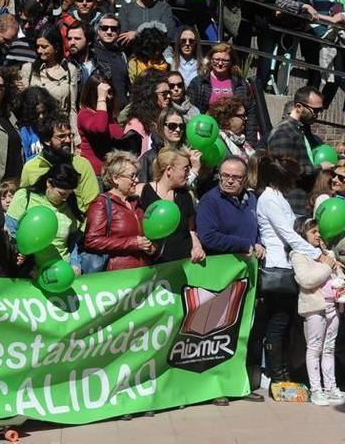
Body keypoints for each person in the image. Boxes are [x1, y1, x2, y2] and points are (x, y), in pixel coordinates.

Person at [196, 155, 266, 403]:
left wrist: (258, 244)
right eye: (225, 175)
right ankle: (213, 388)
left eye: (235, 177)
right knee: (216, 333)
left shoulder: (251, 200)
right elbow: (208, 236)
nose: (229, 181)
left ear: (244, 179)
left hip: (245, 276)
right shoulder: (210, 201)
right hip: (219, 276)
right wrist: (244, 244)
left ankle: (238, 383)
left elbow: (257, 231)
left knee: (241, 330)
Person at [256, 153, 325, 392]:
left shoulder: (279, 198)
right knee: (277, 322)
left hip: (286, 264)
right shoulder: (269, 199)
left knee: (284, 322)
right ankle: (276, 375)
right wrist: (316, 254)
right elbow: (287, 233)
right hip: (277, 267)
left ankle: (282, 370)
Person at [291, 217, 345, 406]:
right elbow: (306, 280)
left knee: (329, 348)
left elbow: (336, 275)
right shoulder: (299, 255)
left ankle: (331, 387)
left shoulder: (326, 253)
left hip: (334, 307)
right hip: (315, 308)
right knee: (314, 349)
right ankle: (316, 390)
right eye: (313, 232)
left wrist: (340, 279)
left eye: (319, 231)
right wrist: (326, 265)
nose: (318, 235)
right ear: (302, 235)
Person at [84, 150, 155, 271]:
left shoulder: (137, 203)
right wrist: (132, 243)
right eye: (132, 176)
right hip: (116, 276)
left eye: (137, 175)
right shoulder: (101, 203)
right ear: (115, 178)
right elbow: (92, 240)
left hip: (143, 274)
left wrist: (151, 247)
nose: (137, 180)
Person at [136, 147, 206, 264]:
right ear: (169, 170)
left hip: (183, 263)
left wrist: (197, 247)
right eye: (185, 169)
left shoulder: (188, 195)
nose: (189, 174)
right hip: (153, 265)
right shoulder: (141, 191)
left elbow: (191, 230)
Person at [266, 87, 326, 217]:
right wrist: (320, 167)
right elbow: (284, 169)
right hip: (291, 205)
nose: (318, 114)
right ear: (298, 106)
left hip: (307, 205)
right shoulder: (283, 132)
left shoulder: (305, 131)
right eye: (315, 110)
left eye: (320, 110)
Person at [6, 162, 81, 267]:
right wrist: (21, 256)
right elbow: (10, 233)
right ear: (49, 183)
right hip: (28, 269)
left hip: (61, 269)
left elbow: (72, 241)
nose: (65, 198)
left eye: (69, 194)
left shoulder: (69, 207)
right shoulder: (24, 197)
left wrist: (75, 264)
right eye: (62, 194)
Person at [186, 43, 259, 145]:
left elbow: (251, 112)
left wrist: (251, 141)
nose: (220, 63)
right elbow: (191, 110)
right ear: (210, 60)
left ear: (231, 62)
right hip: (207, 135)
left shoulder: (240, 83)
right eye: (216, 59)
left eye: (225, 60)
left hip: (235, 138)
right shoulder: (199, 82)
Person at [20, 26, 79, 137]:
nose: (39, 51)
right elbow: (24, 106)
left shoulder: (70, 70)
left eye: (44, 47)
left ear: (56, 47)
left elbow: (72, 108)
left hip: (59, 129)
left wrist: (75, 136)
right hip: (36, 129)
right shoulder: (28, 69)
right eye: (38, 47)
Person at [136, 110, 201, 184]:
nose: (178, 130)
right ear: (161, 127)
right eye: (172, 126)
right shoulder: (149, 157)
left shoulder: (189, 156)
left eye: (181, 126)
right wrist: (194, 171)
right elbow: (142, 188)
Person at [77, 71, 122, 176]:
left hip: (111, 172)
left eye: (110, 93)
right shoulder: (85, 114)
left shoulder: (108, 115)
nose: (109, 97)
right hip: (94, 174)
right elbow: (100, 128)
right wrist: (101, 98)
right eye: (105, 93)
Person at [120, 70, 170, 157]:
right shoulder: (136, 125)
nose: (169, 96)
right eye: (164, 94)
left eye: (169, 93)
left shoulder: (166, 118)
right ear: (150, 95)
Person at [92, 14, 130, 108]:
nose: (109, 32)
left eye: (113, 29)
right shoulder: (91, 53)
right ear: (98, 30)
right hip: (100, 108)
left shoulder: (122, 54)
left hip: (121, 110)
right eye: (105, 28)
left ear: (118, 31)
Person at [13, 87, 59, 162]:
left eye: (44, 112)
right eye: (37, 113)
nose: (41, 117)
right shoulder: (25, 132)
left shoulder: (54, 128)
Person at [208, 96, 254, 161]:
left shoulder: (240, 140)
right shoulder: (217, 143)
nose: (246, 118)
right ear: (228, 118)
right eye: (242, 116)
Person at [64, 20, 95, 85]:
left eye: (77, 38)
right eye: (69, 39)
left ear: (89, 41)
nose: (72, 42)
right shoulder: (64, 66)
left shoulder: (100, 65)